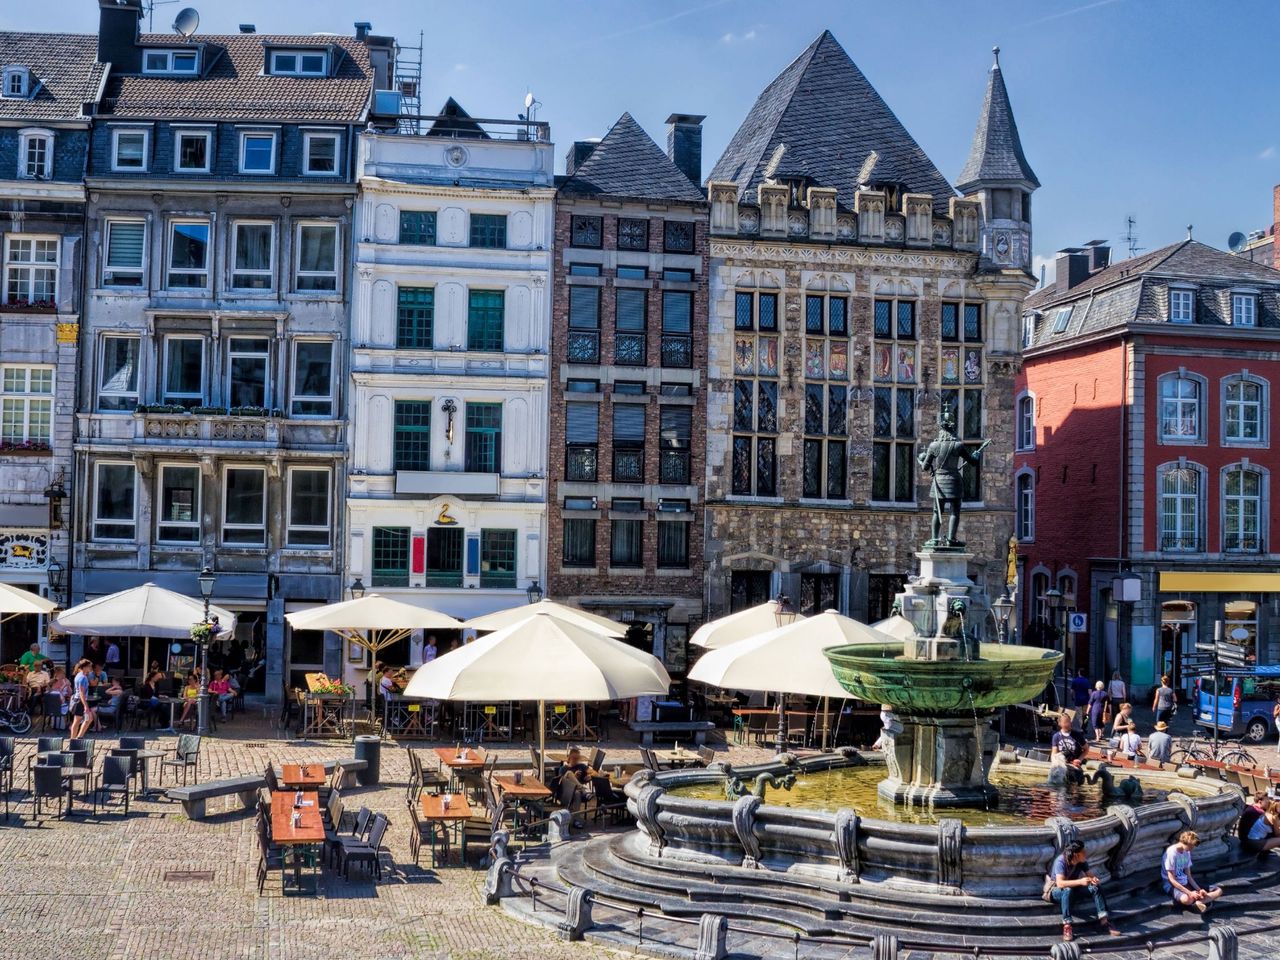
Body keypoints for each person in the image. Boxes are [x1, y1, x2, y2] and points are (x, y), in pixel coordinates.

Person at [1050, 839, 1121, 942]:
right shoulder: (1060, 861)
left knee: (1095, 888)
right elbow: (1060, 883)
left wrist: (1094, 880)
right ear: (1076, 854)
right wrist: (1080, 881)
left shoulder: (1081, 862)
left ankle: (1104, 921)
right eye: (1083, 851)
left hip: (1074, 889)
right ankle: (1067, 926)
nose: (1085, 853)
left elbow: (1091, 876)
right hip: (1057, 892)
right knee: (1067, 890)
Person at [1162, 831, 1223, 912]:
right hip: (1171, 885)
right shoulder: (1172, 853)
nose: (1192, 849)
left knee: (1219, 890)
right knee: (1187, 899)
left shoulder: (1187, 852)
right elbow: (1171, 879)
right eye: (1191, 846)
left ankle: (1198, 903)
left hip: (1185, 882)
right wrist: (1190, 893)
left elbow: (1189, 876)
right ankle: (1199, 902)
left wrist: (1199, 890)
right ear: (1186, 843)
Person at [555, 747, 590, 828]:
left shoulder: (581, 766)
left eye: (577, 758)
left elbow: (591, 773)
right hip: (565, 792)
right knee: (569, 773)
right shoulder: (563, 768)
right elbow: (560, 783)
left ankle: (576, 820)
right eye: (574, 758)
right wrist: (574, 776)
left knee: (577, 794)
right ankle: (584, 789)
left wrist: (588, 777)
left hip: (576, 791)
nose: (575, 760)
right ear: (569, 758)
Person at [67, 658, 95, 739]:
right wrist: (85, 706)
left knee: (81, 720)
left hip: (78, 700)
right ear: (84, 667)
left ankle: (77, 737)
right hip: (80, 701)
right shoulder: (83, 677)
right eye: (89, 667)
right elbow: (81, 693)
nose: (90, 668)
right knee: (82, 720)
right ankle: (76, 738)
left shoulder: (79, 675)